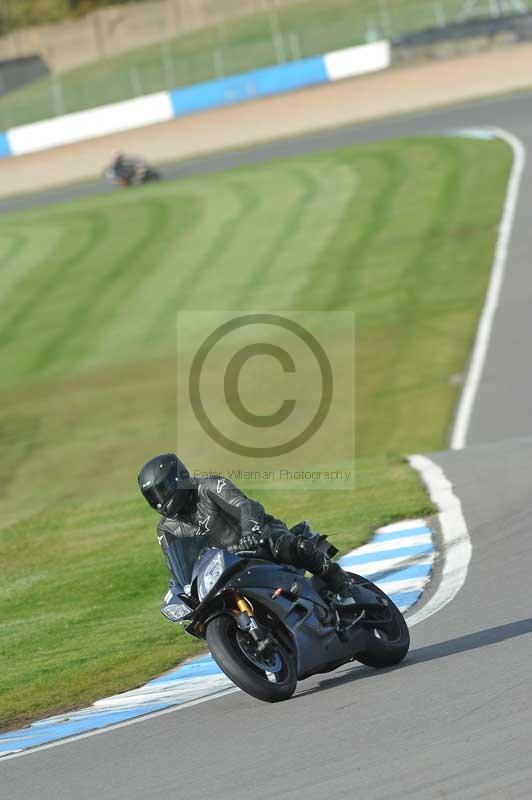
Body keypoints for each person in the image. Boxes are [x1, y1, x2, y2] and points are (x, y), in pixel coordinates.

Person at [138, 453, 356, 607]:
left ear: (178, 478)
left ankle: (342, 584)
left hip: (259, 538)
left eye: (162, 491)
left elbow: (246, 506)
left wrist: (250, 533)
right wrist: (181, 589)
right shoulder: (166, 529)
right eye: (153, 496)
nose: (160, 501)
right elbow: (175, 565)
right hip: (224, 569)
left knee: (290, 546)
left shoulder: (209, 486)